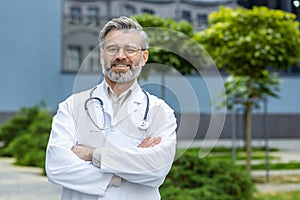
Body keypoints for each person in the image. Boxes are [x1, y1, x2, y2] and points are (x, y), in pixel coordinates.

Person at [45, 16, 177, 200]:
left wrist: (93, 154)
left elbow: (156, 170)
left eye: (130, 49)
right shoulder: (71, 107)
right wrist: (125, 170)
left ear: (144, 57)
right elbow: (57, 167)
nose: (121, 56)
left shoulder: (160, 112)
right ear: (101, 55)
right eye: (112, 49)